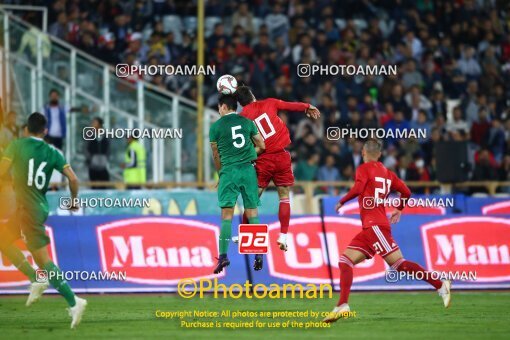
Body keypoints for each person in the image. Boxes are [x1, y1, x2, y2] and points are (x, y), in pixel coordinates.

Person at [323, 139, 451, 323]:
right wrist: (399, 208)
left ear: (363, 153)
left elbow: (359, 188)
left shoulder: (363, 168)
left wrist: (342, 201)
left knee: (398, 264)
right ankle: (343, 304)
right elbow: (406, 191)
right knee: (345, 261)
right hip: (370, 228)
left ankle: (440, 284)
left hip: (375, 226)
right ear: (380, 154)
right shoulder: (388, 174)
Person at [0, 112, 87, 328]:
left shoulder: (17, 146)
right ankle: (37, 279)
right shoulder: (53, 152)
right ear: (45, 131)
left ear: (26, 129)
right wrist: (74, 201)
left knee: (43, 260)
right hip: (37, 207)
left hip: (26, 210)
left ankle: (74, 300)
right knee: (3, 239)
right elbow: (73, 179)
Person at [235, 85, 320, 259]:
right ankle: (284, 235)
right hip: (282, 157)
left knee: (252, 198)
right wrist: (307, 106)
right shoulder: (270, 103)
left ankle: (246, 235)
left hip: (263, 159)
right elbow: (290, 106)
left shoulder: (242, 117)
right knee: (284, 196)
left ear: (240, 103)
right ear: (252, 94)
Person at [209, 94, 265, 274]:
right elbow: (262, 146)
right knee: (253, 213)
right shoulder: (247, 122)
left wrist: (221, 174)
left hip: (229, 171)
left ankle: (223, 256)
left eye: (219, 108)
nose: (219, 111)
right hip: (248, 171)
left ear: (224, 107)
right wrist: (250, 154)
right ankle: (258, 253)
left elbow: (216, 155)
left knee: (226, 216)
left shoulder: (216, 127)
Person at [85, 117, 110, 188]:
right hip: (93, 165)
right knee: (93, 187)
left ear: (99, 124)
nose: (92, 124)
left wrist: (105, 158)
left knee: (104, 186)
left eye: (94, 123)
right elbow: (86, 148)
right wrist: (90, 159)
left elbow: (108, 149)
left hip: (103, 165)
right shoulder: (89, 135)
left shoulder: (105, 135)